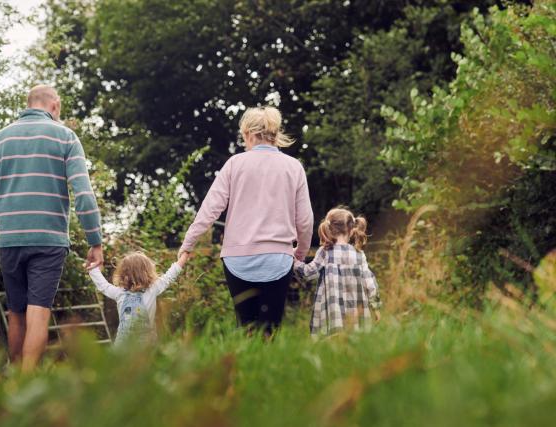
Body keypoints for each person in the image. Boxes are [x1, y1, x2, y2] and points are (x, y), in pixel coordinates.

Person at [0, 85, 103, 371]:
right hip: (48, 240)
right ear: (55, 105)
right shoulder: (65, 137)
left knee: (16, 314)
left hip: (10, 240)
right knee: (38, 315)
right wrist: (95, 241)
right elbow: (84, 195)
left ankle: (15, 385)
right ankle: (27, 384)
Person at [178, 106, 314, 335]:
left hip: (237, 261)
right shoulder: (294, 167)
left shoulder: (234, 164)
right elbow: (305, 220)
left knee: (247, 328)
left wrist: (187, 244)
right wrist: (299, 254)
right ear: (274, 133)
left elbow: (209, 210)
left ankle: (247, 368)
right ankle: (268, 368)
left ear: (249, 134)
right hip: (278, 260)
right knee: (270, 330)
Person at [294, 207, 381, 335]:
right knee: (354, 345)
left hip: (332, 313)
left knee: (332, 346)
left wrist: (294, 262)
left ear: (329, 229)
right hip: (356, 314)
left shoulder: (325, 252)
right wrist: (376, 307)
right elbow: (370, 283)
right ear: (351, 230)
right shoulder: (359, 254)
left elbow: (308, 272)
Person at [88, 252, 189, 345]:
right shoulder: (152, 290)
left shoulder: (119, 293)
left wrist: (92, 266)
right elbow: (169, 276)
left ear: (123, 274)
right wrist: (184, 255)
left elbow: (103, 285)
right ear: (147, 272)